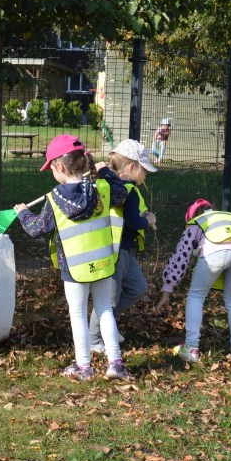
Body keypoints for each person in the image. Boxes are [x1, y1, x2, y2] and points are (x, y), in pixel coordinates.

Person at [14, 134, 130, 381]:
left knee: (78, 314)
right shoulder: (103, 188)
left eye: (51, 168)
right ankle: (115, 364)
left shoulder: (55, 199)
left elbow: (37, 228)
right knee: (104, 310)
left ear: (60, 167)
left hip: (74, 268)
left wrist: (24, 214)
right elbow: (122, 195)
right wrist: (106, 173)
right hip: (103, 263)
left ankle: (84, 367)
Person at [154, 198, 231, 362]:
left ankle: (191, 347)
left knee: (196, 296)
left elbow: (181, 256)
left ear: (191, 216)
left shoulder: (196, 222)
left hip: (213, 251)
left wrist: (167, 288)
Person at [88, 139, 157, 351]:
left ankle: (108, 325)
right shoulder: (127, 190)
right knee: (109, 300)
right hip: (115, 252)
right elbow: (135, 222)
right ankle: (94, 341)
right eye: (144, 171)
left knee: (138, 288)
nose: (145, 176)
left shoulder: (113, 186)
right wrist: (149, 220)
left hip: (125, 250)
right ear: (131, 167)